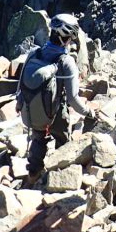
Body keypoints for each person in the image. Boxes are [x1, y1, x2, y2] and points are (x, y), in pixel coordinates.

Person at [18, 12, 96, 184]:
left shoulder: (34, 53)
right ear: (67, 38)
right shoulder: (65, 62)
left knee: (39, 138)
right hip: (54, 113)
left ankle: (33, 173)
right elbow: (73, 99)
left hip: (32, 109)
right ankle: (61, 176)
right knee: (63, 139)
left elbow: (20, 85)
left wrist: (20, 105)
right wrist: (89, 112)